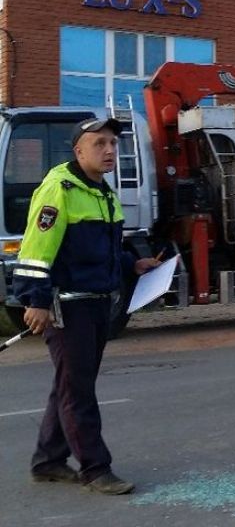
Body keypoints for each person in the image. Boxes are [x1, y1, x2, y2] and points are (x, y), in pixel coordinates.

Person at [12, 117, 160, 495]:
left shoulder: (102, 192)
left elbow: (105, 250)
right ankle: (96, 469)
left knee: (70, 385)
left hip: (97, 305)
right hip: (68, 306)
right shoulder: (59, 189)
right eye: (100, 144)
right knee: (77, 391)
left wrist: (133, 264)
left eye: (113, 143)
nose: (110, 150)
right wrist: (36, 301)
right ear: (78, 150)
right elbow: (35, 250)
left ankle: (48, 460)